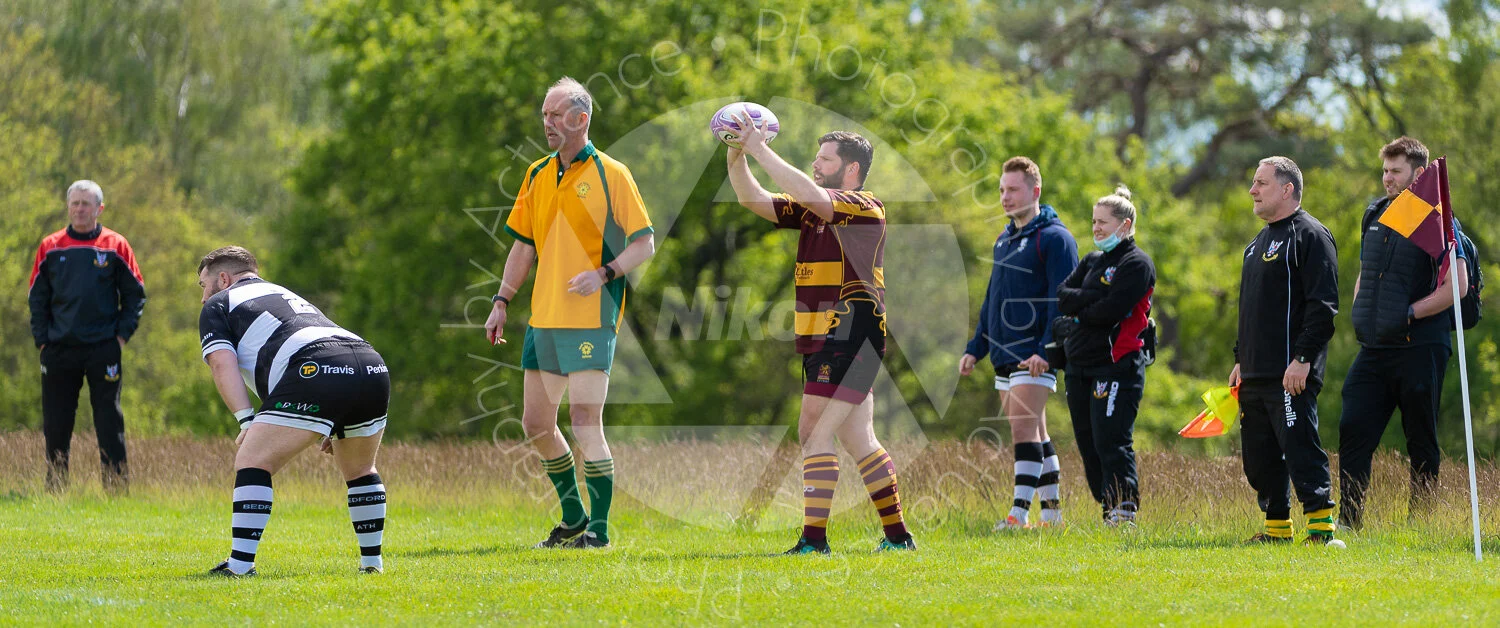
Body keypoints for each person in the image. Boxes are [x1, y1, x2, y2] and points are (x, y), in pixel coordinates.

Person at [724, 110, 915, 554]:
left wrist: (760, 147)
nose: (815, 163)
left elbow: (809, 191)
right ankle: (898, 537)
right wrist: (737, 155)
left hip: (851, 331)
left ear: (852, 170)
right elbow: (754, 200)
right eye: (815, 157)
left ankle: (814, 541)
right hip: (822, 337)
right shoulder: (812, 211)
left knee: (812, 431)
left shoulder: (865, 207)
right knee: (859, 439)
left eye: (824, 159)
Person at [484, 77, 656, 550]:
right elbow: (523, 245)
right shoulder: (537, 173)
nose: (548, 123)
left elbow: (645, 244)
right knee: (536, 425)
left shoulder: (612, 174)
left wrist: (603, 274)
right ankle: (575, 516)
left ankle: (598, 533)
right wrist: (502, 301)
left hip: (592, 317)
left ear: (582, 119)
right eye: (544, 114)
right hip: (543, 318)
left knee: (584, 422)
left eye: (557, 115)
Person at [196, 246, 389, 576]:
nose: (203, 297)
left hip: (317, 365)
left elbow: (219, 363)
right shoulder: (281, 293)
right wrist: (332, 417)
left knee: (252, 461)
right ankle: (372, 566)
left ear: (223, 279)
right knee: (359, 469)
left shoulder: (220, 303)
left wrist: (246, 419)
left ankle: (240, 567)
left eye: (203, 285)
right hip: (370, 364)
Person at [1338, 137, 1469, 530]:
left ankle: (1422, 525)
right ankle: (1348, 521)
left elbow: (1457, 286)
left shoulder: (1438, 218)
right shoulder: (1374, 213)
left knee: (1420, 438)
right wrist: (1363, 308)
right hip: (1376, 346)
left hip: (1421, 345)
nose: (1387, 179)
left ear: (1419, 174)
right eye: (1385, 170)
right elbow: (1368, 267)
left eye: (1396, 171)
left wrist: (1409, 312)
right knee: (1353, 425)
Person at [959, 156, 1079, 530]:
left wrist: (1046, 350)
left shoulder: (1056, 238)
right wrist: (975, 347)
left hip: (1034, 353)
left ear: (1035, 191)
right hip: (1003, 353)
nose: (1005, 197)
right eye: (1001, 190)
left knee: (1023, 430)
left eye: (1012, 190)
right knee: (1037, 432)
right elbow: (992, 296)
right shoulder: (1004, 238)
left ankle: (1018, 514)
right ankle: (1053, 517)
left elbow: (1065, 301)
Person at [1232, 156, 1340, 545]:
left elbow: (1324, 306)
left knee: (1299, 449)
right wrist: (1239, 359)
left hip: (1291, 372)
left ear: (1286, 189)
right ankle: (1276, 531)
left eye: (1260, 183)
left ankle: (1322, 532)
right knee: (1258, 461)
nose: (1252, 190)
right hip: (1255, 374)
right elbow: (1249, 309)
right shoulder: (1254, 245)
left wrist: (1302, 359)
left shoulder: (1311, 235)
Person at [28, 180, 146, 493]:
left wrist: (120, 337)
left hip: (103, 349)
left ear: (99, 208)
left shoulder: (115, 244)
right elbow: (36, 298)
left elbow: (135, 295)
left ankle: (116, 490)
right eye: (75, 203)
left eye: (86, 204)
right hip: (59, 348)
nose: (80, 209)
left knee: (109, 421)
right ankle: (55, 491)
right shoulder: (50, 246)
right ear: (68, 206)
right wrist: (42, 339)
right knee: (56, 422)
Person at [1055, 185, 1155, 526]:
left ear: (1125, 225)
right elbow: (1063, 296)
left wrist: (1082, 309)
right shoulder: (1093, 260)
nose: (1096, 228)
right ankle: (1107, 507)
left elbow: (1111, 311)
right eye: (1094, 222)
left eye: (1103, 223)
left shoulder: (1136, 263)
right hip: (1079, 364)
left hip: (1116, 365)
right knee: (1087, 442)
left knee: (1111, 437)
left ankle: (1124, 509)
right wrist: (1090, 297)